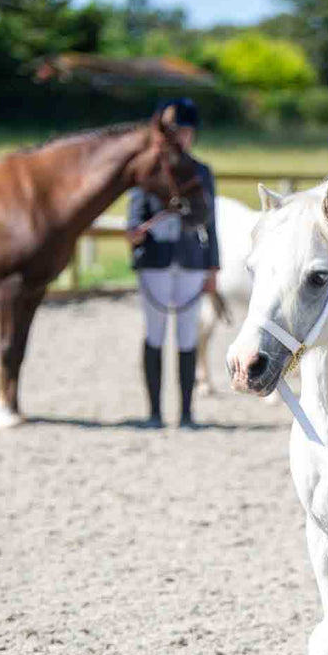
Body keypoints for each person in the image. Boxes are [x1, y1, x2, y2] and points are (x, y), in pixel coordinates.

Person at [127, 97, 219, 429]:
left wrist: (213, 268)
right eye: (177, 131)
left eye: (187, 131)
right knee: (154, 333)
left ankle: (186, 414)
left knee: (186, 336)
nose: (182, 137)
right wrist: (134, 233)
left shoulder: (203, 171)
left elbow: (211, 223)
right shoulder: (152, 167)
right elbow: (136, 211)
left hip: (192, 261)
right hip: (156, 260)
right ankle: (153, 412)